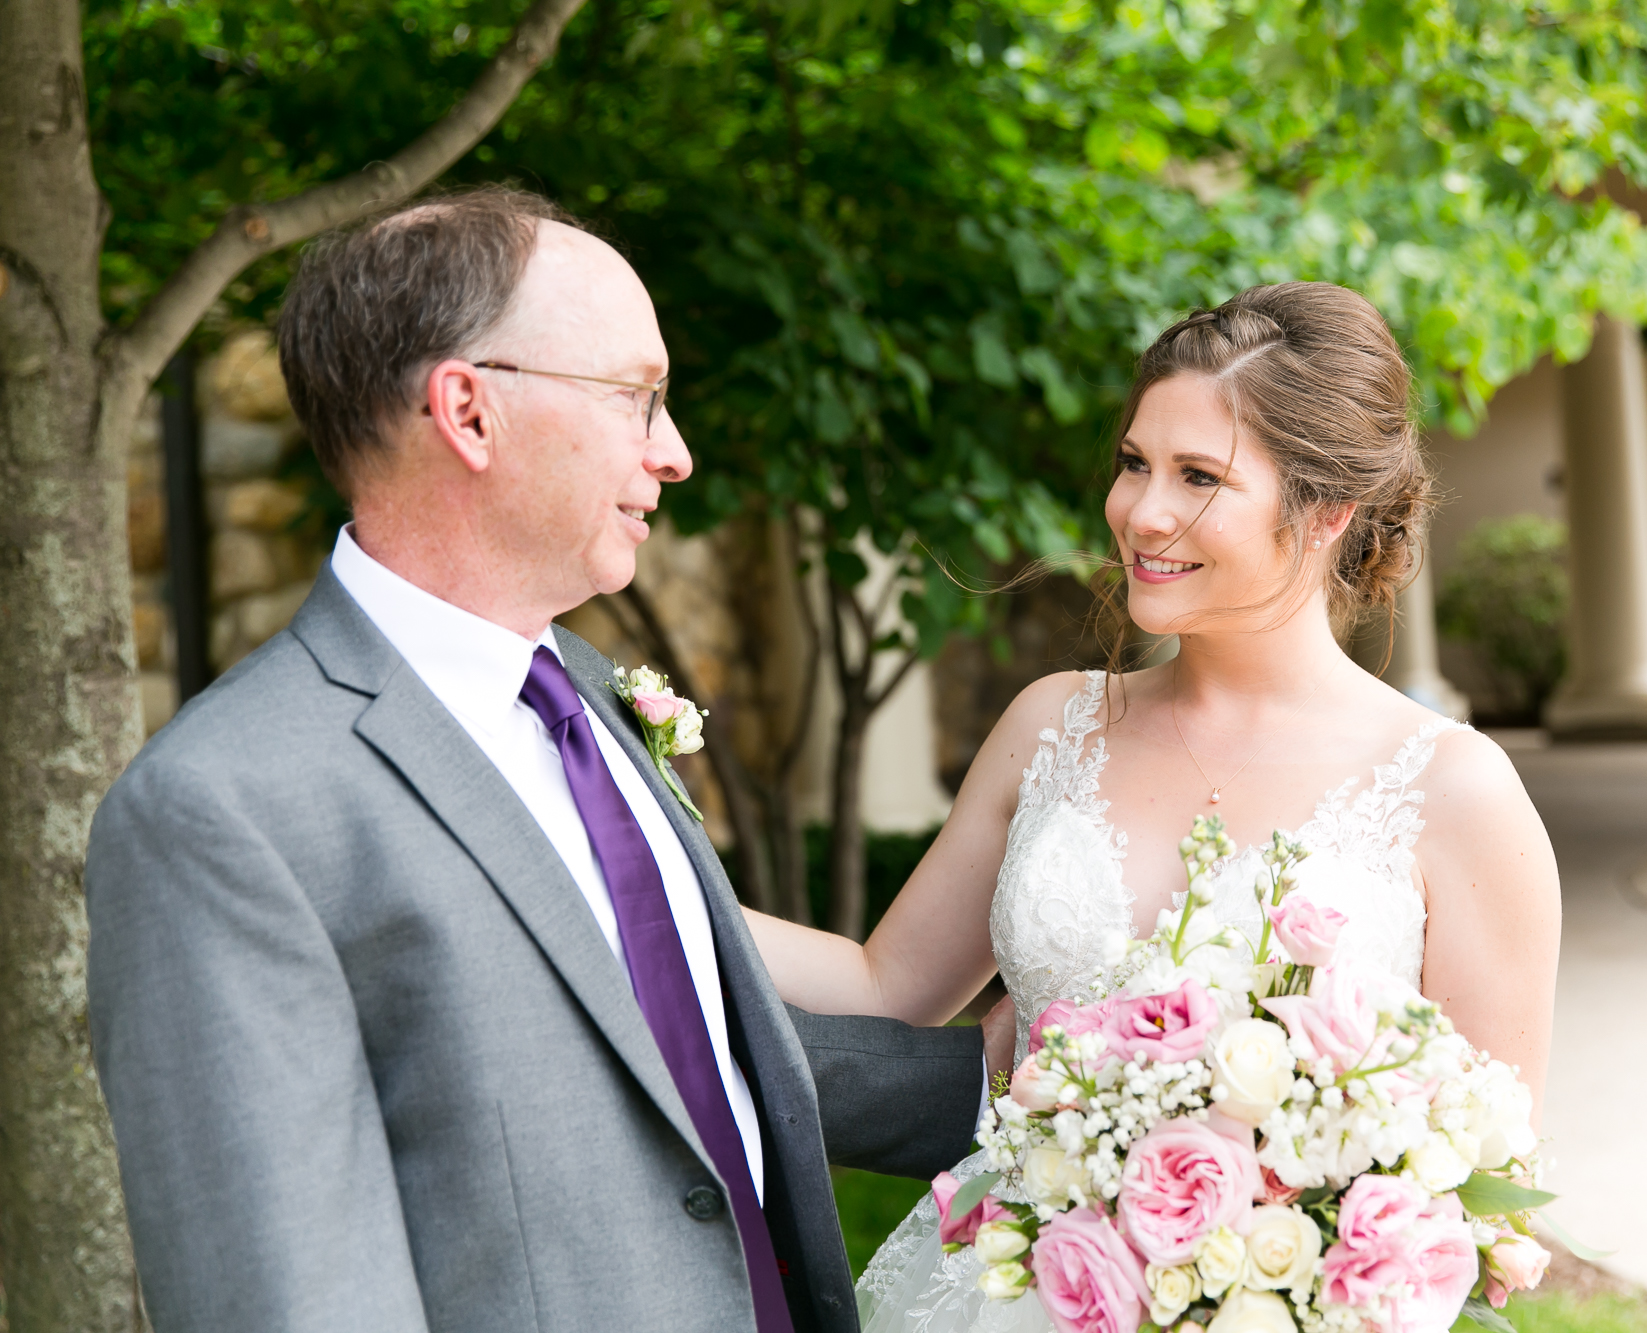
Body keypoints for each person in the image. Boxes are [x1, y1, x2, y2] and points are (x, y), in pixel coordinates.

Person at [84, 188, 1001, 1333]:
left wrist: (1019, 1082)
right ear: (468, 412)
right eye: (637, 396)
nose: (674, 452)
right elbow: (286, 1297)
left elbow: (643, 1055)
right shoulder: (222, 811)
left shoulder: (592, 691)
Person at [744, 282, 1563, 1332]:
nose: (1141, 511)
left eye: (1198, 477)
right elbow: (883, 983)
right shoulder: (1052, 726)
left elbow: (1484, 1180)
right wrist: (636, 872)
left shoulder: (1453, 791)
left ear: (1325, 514)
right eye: (1134, 463)